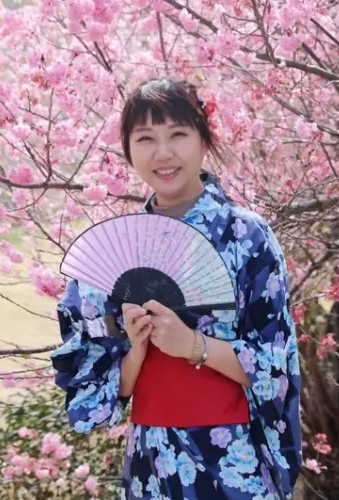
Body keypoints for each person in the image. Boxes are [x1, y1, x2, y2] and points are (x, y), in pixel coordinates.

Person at [51, 77, 302, 500]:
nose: (163, 153)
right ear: (128, 148)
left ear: (204, 140)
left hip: (231, 457)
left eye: (178, 135)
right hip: (152, 460)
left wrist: (193, 345)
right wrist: (135, 350)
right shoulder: (117, 248)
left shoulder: (246, 236)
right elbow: (97, 384)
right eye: (145, 138)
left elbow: (276, 367)